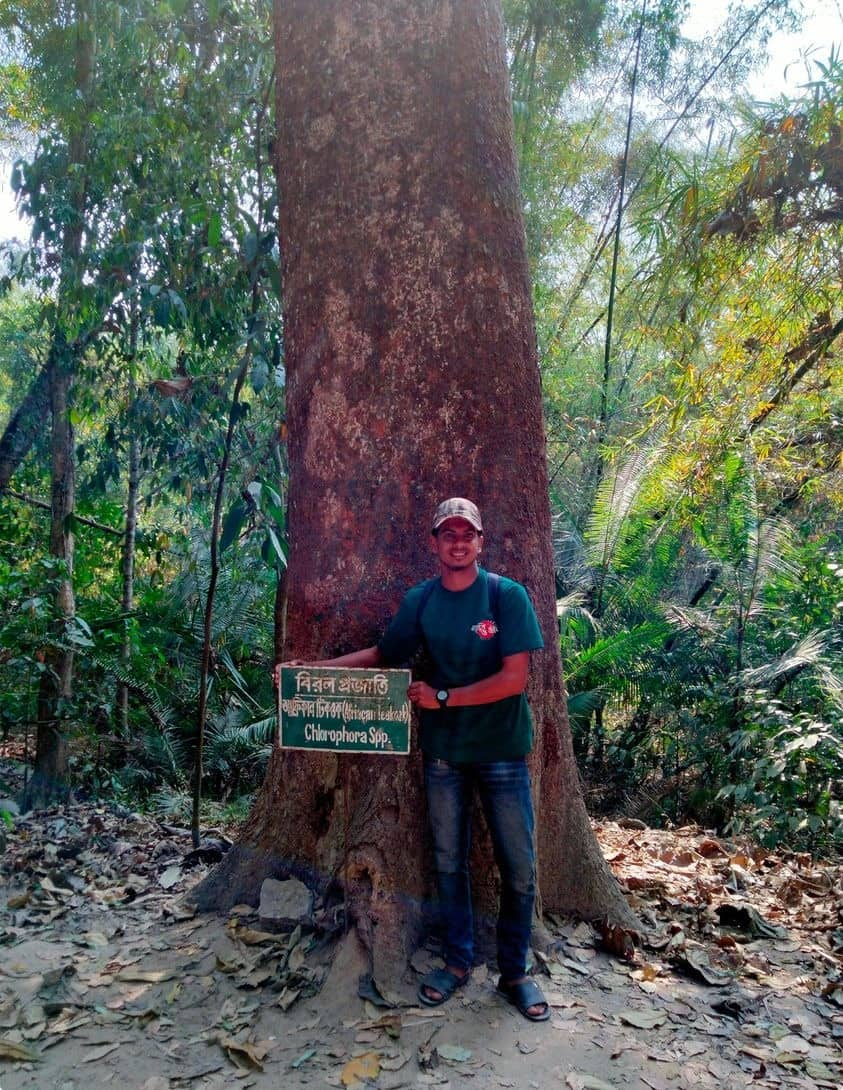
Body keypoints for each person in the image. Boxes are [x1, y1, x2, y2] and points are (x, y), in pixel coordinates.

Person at [277, 497, 549, 1021]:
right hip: (444, 753)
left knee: (518, 866)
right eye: (448, 533)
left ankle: (515, 973)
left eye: (466, 533)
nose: (458, 541)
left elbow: (515, 679)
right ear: (434, 544)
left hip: (502, 751)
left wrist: (445, 697)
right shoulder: (422, 602)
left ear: (480, 541)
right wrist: (311, 670)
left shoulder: (505, 597)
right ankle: (457, 961)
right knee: (447, 863)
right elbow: (383, 656)